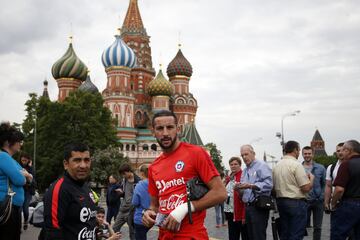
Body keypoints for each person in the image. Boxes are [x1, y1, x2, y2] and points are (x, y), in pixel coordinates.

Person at [142, 110, 227, 239]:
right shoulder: (154, 167)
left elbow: (220, 193)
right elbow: (155, 205)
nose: (165, 133)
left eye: (170, 127)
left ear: (178, 129)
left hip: (191, 235)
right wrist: (149, 213)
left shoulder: (195, 153)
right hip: (164, 236)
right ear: (153, 131)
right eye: (160, 128)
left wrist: (184, 209)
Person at [43, 142, 98, 240]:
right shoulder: (59, 189)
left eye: (87, 160)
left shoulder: (85, 186)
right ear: (66, 164)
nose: (83, 165)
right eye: (77, 160)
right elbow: (52, 232)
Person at [273, 140, 314, 240]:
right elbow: (305, 188)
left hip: (281, 202)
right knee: (296, 234)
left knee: (284, 234)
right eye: (299, 150)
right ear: (295, 150)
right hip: (296, 203)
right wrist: (311, 180)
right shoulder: (296, 165)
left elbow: (273, 188)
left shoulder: (277, 166)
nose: (299, 152)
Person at [237, 144, 273, 240]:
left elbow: (269, 184)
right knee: (250, 236)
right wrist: (238, 189)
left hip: (259, 207)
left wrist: (251, 185)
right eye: (242, 155)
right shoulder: (244, 171)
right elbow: (243, 192)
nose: (244, 157)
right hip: (248, 207)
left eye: (246, 154)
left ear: (253, 153)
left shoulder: (262, 166)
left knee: (258, 236)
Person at [0, 122, 28, 240]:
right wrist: (26, 177)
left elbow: (26, 174)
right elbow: (20, 179)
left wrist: (26, 176)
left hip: (12, 207)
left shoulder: (10, 159)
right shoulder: (3, 156)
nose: (20, 144)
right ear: (7, 142)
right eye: (17, 141)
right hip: (7, 207)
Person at [331, 140, 360, 239]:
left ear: (349, 150)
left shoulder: (346, 164)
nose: (341, 152)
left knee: (339, 234)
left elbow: (339, 189)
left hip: (349, 204)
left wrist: (333, 203)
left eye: (343, 150)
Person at [302, 146, 326, 240]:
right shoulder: (298, 167)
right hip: (304, 201)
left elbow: (324, 184)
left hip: (318, 201)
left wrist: (322, 196)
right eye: (305, 153)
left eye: (309, 153)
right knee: (301, 225)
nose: (307, 155)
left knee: (318, 227)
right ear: (302, 154)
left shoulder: (320, 168)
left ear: (313, 154)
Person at [112, 163, 140, 240]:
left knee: (132, 233)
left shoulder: (138, 181)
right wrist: (120, 192)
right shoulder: (124, 180)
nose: (123, 176)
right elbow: (124, 193)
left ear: (128, 171)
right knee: (114, 229)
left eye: (124, 174)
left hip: (131, 211)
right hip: (122, 209)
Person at [224, 157, 247, 240]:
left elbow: (246, 197)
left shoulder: (243, 176)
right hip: (230, 213)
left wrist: (244, 215)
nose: (233, 166)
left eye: (235, 164)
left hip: (240, 213)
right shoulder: (229, 177)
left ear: (240, 165)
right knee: (233, 237)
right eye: (231, 164)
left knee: (245, 236)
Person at [132, 164, 151, 240]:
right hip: (153, 216)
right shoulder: (155, 183)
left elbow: (135, 202)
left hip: (141, 217)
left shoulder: (139, 185)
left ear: (142, 173)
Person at [324, 143, 344, 213]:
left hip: (351, 201)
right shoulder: (331, 167)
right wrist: (326, 202)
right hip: (335, 203)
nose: (340, 153)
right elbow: (328, 186)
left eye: (343, 150)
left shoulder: (353, 165)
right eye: (338, 151)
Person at [19, 153, 36, 231]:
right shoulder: (18, 166)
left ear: (28, 160)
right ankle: (18, 226)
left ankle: (25, 221)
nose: (23, 162)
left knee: (25, 209)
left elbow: (33, 181)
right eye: (22, 160)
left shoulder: (31, 169)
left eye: (25, 160)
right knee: (19, 209)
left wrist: (28, 175)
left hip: (28, 191)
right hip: (20, 190)